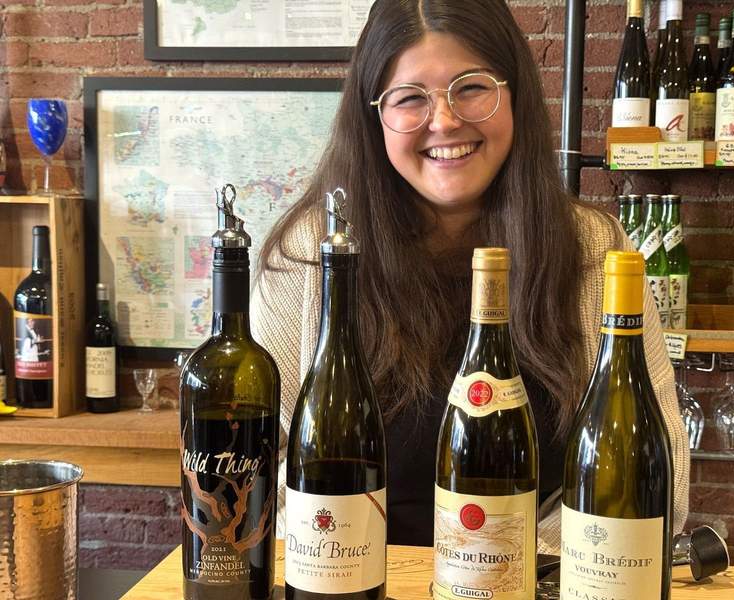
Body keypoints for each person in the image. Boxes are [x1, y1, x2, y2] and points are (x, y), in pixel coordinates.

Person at [251, 0, 689, 554]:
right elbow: (267, 474)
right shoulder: (308, 260)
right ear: (373, 118)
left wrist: (505, 571)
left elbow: (657, 472)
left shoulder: (594, 250)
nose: (445, 120)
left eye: (472, 87)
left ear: (516, 94)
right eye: (410, 98)